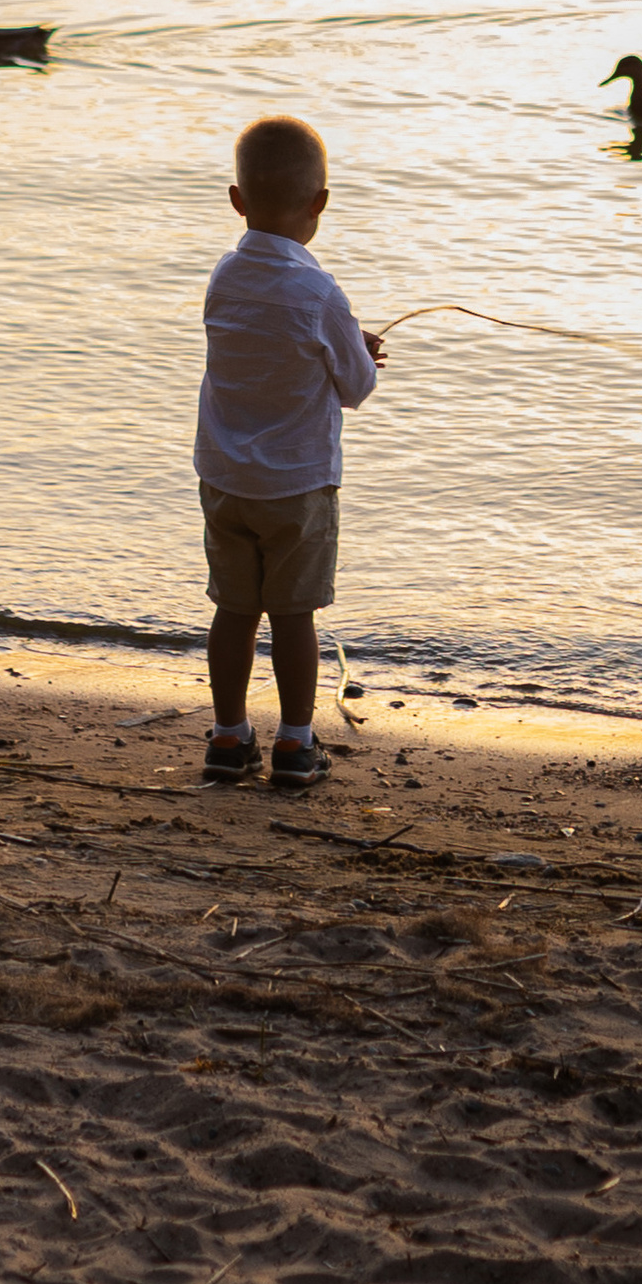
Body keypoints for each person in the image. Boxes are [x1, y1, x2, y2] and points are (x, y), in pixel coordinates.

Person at [193, 114, 383, 790]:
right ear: (320, 204)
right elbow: (356, 388)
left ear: (237, 200)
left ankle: (227, 735)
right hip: (298, 486)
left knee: (234, 608)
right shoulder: (320, 291)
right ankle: (296, 744)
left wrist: (342, 342)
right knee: (294, 615)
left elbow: (264, 346)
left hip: (225, 479)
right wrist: (359, 348)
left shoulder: (223, 277)